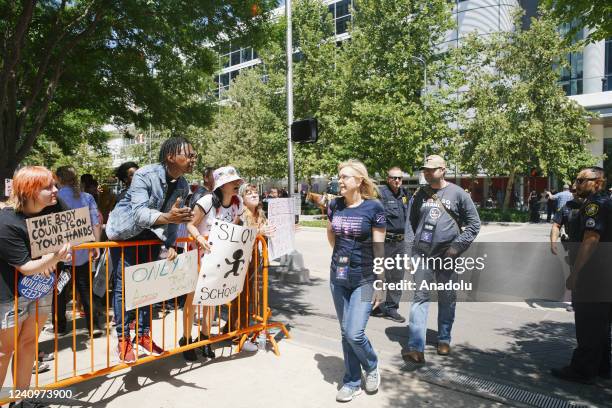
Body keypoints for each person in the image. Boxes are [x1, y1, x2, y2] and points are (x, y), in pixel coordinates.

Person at [106, 136, 195, 363]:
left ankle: (143, 335)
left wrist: (171, 244)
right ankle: (123, 340)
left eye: (194, 155)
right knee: (124, 288)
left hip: (152, 236)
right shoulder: (145, 175)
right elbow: (139, 213)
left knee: (148, 287)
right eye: (189, 154)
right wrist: (167, 217)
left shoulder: (183, 184)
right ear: (171, 156)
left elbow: (176, 218)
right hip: (125, 233)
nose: (194, 159)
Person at [0, 166, 72, 408]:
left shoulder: (52, 209)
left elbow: (72, 231)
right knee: (4, 351)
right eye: (48, 187)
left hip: (40, 289)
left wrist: (65, 252)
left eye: (54, 185)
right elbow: (27, 266)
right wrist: (56, 257)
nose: (55, 190)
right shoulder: (6, 222)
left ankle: (20, 400)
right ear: (30, 190)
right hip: (10, 296)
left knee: (29, 342)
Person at [403, 155, 481, 363]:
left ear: (443, 169)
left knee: (447, 298)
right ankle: (415, 347)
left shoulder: (458, 194)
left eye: (431, 169)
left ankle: (444, 339)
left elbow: (474, 224)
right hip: (422, 255)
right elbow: (410, 226)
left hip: (447, 256)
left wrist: (456, 248)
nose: (427, 173)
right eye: (425, 170)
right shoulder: (419, 194)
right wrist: (409, 254)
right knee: (420, 297)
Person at [327, 160, 385, 402]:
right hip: (338, 277)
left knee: (354, 333)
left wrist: (380, 282)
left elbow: (379, 247)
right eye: (339, 176)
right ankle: (351, 381)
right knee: (344, 332)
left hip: (365, 277)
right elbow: (332, 235)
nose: (340, 180)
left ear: (359, 181)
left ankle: (371, 365)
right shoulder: (334, 205)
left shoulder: (374, 208)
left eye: (345, 177)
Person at [551, 166, 612, 384]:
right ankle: (602, 366)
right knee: (601, 323)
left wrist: (575, 273)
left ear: (598, 181)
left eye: (581, 180)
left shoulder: (596, 205)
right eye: (576, 180)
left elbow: (591, 239)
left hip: (593, 274)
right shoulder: (604, 201)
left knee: (588, 323)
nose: (576, 184)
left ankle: (583, 370)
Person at [185, 166, 246, 360]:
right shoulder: (207, 201)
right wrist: (199, 238)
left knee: (211, 300)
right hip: (199, 258)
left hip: (220, 260)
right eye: (233, 181)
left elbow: (235, 227)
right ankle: (186, 341)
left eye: (237, 181)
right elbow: (190, 224)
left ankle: (205, 339)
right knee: (193, 300)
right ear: (222, 184)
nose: (237, 184)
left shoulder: (238, 203)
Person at [54, 166, 104, 336]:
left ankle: (59, 327)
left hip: (59, 254)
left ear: (59, 179)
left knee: (59, 291)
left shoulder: (55, 197)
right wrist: (96, 245)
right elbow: (95, 222)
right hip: (82, 252)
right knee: (86, 290)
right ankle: (93, 326)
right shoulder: (87, 197)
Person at [370, 166, 409, 323]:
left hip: (400, 242)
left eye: (400, 178)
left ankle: (392, 308)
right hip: (384, 242)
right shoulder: (380, 193)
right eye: (394, 178)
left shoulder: (404, 194)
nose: (397, 181)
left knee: (397, 276)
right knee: (378, 274)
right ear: (388, 179)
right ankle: (375, 305)